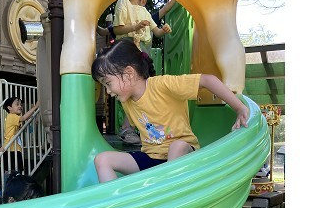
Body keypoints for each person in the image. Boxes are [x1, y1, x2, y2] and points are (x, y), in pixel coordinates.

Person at [91, 38, 249, 183]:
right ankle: (116, 202)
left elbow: (207, 80)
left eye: (108, 83)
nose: (108, 91)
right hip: (152, 159)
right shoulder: (127, 101)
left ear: (128, 74)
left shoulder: (163, 85)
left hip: (183, 155)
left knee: (176, 146)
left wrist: (239, 107)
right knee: (102, 159)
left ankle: (166, 192)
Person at [110, 0, 173, 145]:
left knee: (143, 89)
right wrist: (135, 27)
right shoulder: (123, 2)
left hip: (143, 51)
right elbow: (117, 29)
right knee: (131, 87)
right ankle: (127, 128)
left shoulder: (144, 11)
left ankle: (134, 127)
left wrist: (163, 30)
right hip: (128, 48)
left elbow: (156, 32)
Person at [0, 96, 40, 174]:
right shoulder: (11, 116)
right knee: (13, 172)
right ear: (9, 108)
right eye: (17, 104)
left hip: (13, 148)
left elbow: (24, 120)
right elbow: (23, 118)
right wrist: (35, 107)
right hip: (11, 149)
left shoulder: (14, 117)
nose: (20, 106)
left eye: (21, 104)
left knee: (14, 172)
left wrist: (33, 113)